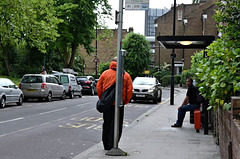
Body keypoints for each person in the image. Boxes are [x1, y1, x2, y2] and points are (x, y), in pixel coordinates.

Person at [97, 57, 133, 150]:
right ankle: (113, 145)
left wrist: (103, 99)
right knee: (117, 125)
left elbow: (99, 87)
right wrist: (125, 101)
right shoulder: (125, 75)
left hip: (107, 105)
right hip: (118, 104)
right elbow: (129, 90)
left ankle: (106, 145)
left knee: (107, 123)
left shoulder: (105, 74)